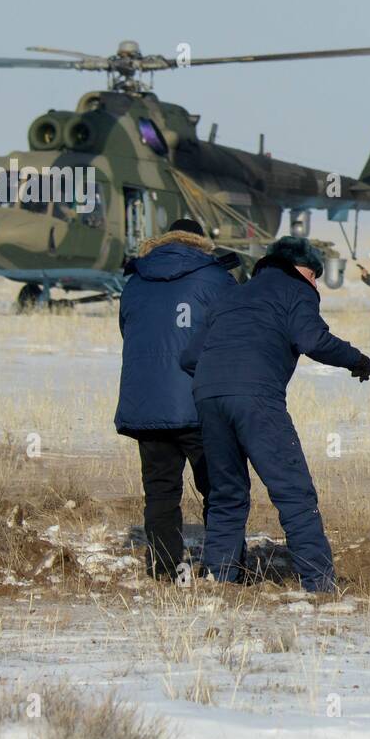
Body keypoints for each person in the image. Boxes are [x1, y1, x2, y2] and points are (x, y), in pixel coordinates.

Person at [181, 235, 370, 591]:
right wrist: (357, 359)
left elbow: (189, 357)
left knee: (226, 494)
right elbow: (314, 340)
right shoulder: (295, 291)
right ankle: (319, 586)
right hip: (256, 397)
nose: (315, 282)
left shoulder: (233, 294)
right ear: (295, 268)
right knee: (294, 492)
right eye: (312, 274)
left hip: (208, 396)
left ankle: (220, 581)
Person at [114, 218, 238, 579]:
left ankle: (165, 570)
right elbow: (233, 330)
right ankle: (223, 567)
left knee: (160, 492)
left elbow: (127, 330)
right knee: (219, 489)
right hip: (199, 403)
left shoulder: (135, 281)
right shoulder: (215, 278)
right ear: (201, 243)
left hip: (146, 405)